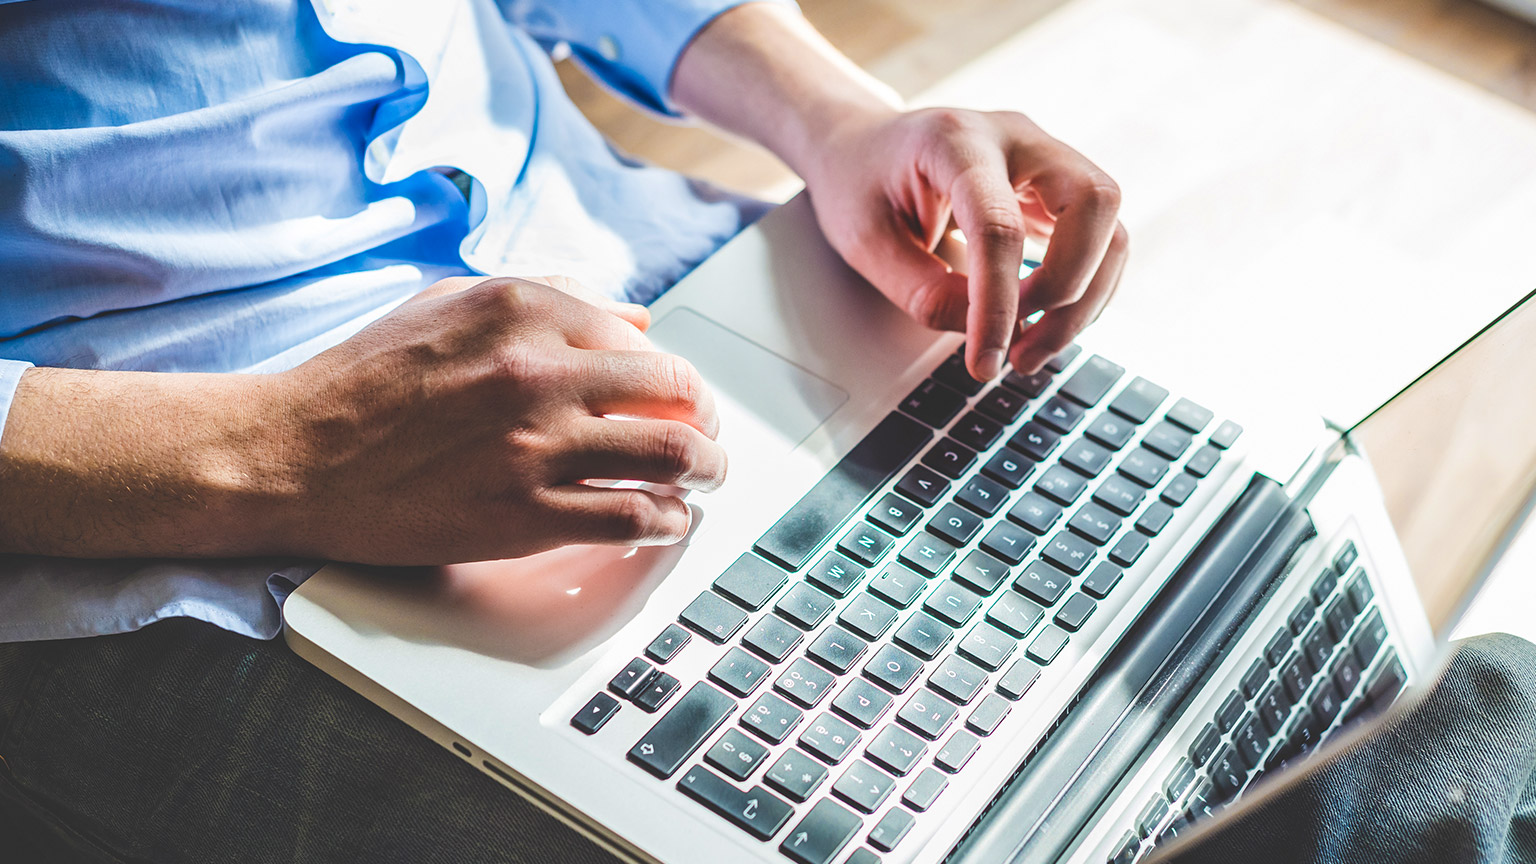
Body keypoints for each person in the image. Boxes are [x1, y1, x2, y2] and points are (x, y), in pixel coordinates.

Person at [0, 0, 1126, 860]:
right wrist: (281, 449)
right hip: (169, 512)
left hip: (645, 249)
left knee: (1169, 615)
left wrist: (835, 119)